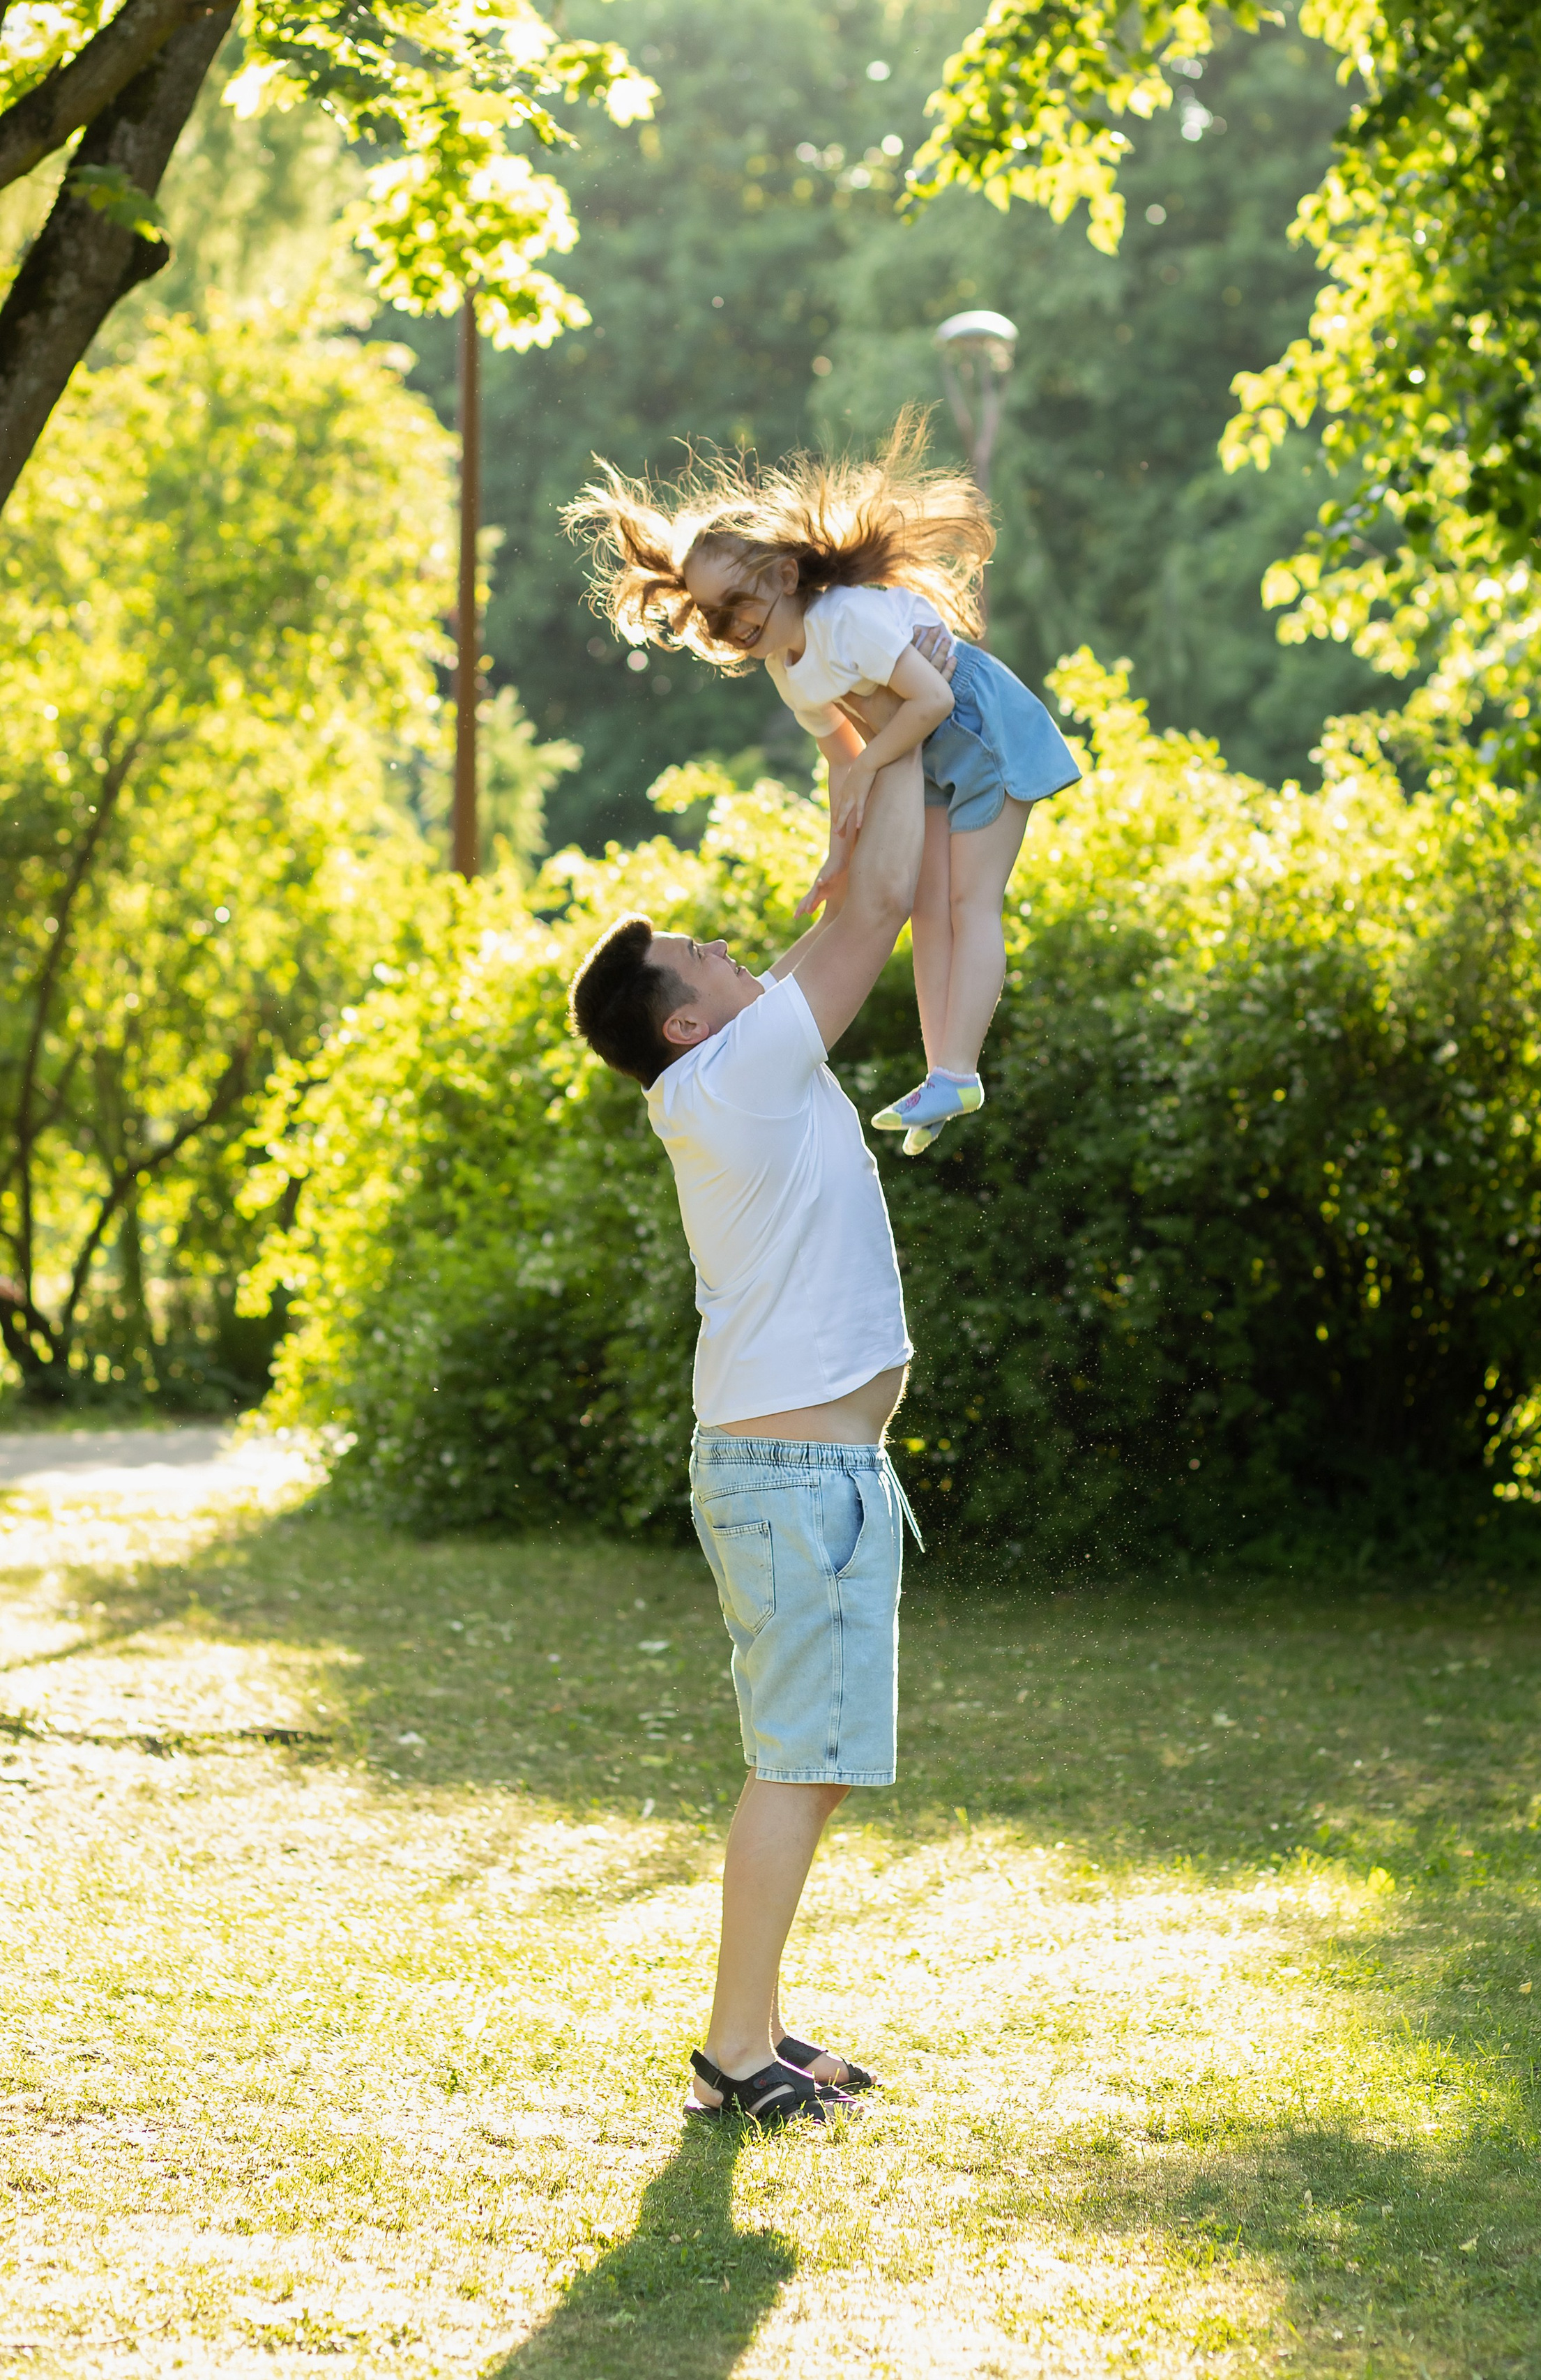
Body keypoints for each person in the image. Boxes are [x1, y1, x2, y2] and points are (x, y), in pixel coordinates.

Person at [568, 688, 934, 2130]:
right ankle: (736, 2052)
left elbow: (838, 904)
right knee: (802, 1760)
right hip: (795, 1472)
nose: (730, 950)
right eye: (702, 956)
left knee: (813, 1758)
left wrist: (854, 746)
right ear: (682, 1016)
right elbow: (887, 898)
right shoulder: (742, 1070)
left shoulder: (726, 1069)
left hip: (798, 1468)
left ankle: (758, 2022)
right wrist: (904, 723)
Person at [563, 408, 1080, 1156]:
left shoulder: (847, 619)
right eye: (710, 615)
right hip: (929, 750)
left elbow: (930, 700)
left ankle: (960, 1065)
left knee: (970, 900)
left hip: (981, 731)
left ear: (783, 576)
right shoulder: (789, 669)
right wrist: (838, 854)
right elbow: (843, 760)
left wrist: (873, 762)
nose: (725, 626)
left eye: (738, 605)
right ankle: (946, 1074)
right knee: (930, 911)